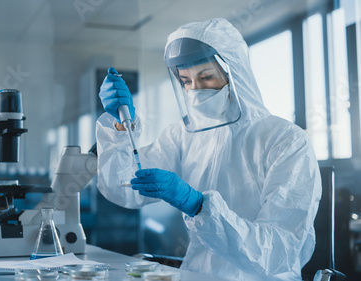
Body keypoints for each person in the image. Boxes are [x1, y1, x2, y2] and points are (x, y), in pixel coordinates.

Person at [96, 18, 322, 280]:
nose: (195, 90)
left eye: (205, 77)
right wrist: (122, 128)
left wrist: (199, 206)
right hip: (196, 274)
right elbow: (124, 188)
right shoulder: (183, 134)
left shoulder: (285, 140)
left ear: (233, 73)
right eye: (186, 81)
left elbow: (276, 252)